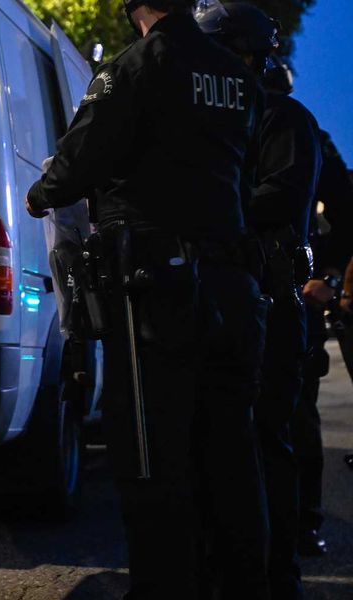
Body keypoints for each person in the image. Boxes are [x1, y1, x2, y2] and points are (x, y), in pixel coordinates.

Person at [25, 1, 269, 598]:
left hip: (157, 293)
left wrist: (40, 193)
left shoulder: (134, 67)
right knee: (232, 455)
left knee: (153, 456)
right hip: (232, 286)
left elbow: (76, 163)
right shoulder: (237, 77)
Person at [198, 4, 320, 598]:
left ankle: (276, 578)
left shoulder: (283, 118)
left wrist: (202, 204)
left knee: (267, 440)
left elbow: (280, 197)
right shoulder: (212, 120)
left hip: (270, 298)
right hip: (218, 298)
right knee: (217, 446)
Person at [294, 127, 353, 556]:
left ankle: (304, 523)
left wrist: (329, 275)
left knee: (297, 412)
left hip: (293, 293)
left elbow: (345, 206)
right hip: (225, 289)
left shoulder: (301, 129)